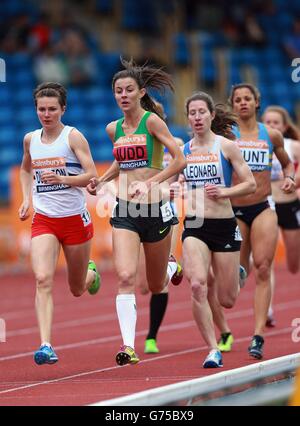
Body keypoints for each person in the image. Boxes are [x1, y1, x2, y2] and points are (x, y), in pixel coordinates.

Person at [87, 58, 186, 366]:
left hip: (155, 209)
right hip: (125, 211)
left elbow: (179, 159)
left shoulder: (153, 123)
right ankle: (128, 346)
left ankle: (171, 268)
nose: (124, 95)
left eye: (129, 89)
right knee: (126, 275)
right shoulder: (112, 128)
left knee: (155, 286)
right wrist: (101, 180)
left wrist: (151, 182)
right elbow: (121, 162)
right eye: (118, 91)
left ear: (141, 92)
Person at [209, 84, 295, 359]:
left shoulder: (270, 134)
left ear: (257, 103)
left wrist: (290, 178)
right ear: (233, 105)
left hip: (263, 206)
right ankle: (236, 275)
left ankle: (257, 336)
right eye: (238, 99)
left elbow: (287, 163)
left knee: (264, 266)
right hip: (233, 211)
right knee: (229, 290)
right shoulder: (225, 136)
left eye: (248, 99)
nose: (243, 103)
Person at [18, 82, 100, 366]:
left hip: (75, 220)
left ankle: (91, 274)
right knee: (42, 279)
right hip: (44, 220)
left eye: (52, 108)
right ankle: (45, 344)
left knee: (76, 288)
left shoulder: (73, 137)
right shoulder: (31, 139)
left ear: (63, 109)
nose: (46, 114)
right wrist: (28, 199)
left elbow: (91, 175)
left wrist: (63, 179)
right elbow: (26, 168)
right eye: (41, 109)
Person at [181, 91, 256, 368]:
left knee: (227, 299)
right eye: (192, 113)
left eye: (202, 112)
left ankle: (236, 274)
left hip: (224, 224)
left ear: (212, 115)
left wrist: (225, 191)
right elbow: (173, 180)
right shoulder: (184, 151)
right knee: (198, 284)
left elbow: (249, 183)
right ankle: (212, 349)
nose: (197, 117)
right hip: (195, 224)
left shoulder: (226, 146)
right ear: (187, 118)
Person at [136, 100, 184, 355]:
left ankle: (151, 336)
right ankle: (172, 266)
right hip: (136, 211)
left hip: (165, 210)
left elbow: (185, 167)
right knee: (142, 285)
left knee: (158, 285)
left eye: (157, 112)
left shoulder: (173, 141)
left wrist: (176, 186)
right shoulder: (135, 140)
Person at [262, 106, 300, 326]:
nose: (271, 126)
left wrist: (293, 181)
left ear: (284, 126)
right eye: (267, 122)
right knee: (266, 260)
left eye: (276, 123)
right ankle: (267, 308)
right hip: (268, 204)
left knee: (293, 264)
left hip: (289, 205)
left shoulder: (292, 145)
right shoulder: (258, 144)